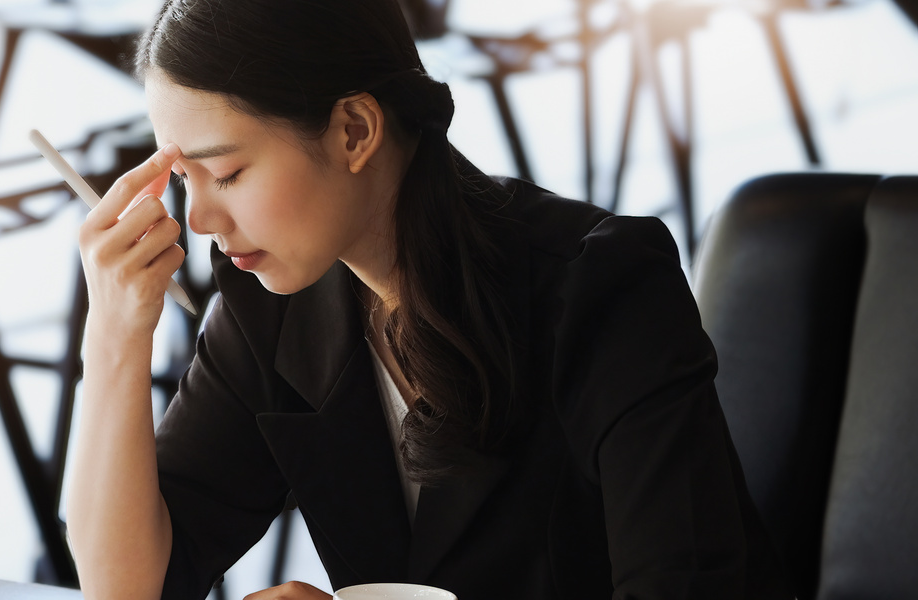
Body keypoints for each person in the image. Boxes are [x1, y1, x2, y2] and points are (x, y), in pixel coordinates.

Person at [61, 1, 791, 599]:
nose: (201, 223)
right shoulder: (272, 304)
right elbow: (130, 588)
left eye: (228, 173)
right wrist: (115, 336)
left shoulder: (602, 284)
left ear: (355, 131)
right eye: (183, 182)